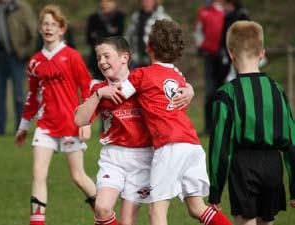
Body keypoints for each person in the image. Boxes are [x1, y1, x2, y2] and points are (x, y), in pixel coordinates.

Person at [120, 19, 233, 225]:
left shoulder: (141, 75)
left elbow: (118, 94)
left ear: (149, 47)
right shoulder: (178, 75)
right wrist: (189, 88)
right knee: (197, 208)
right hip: (192, 144)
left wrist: (97, 89)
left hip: (169, 145)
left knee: (157, 210)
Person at [74, 36, 194, 225]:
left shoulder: (144, 79)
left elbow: (170, 78)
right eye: (98, 58)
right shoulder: (99, 88)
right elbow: (79, 120)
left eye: (106, 56)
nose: (102, 61)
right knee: (102, 208)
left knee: (127, 221)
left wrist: (189, 88)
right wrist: (98, 95)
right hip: (113, 157)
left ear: (124, 57)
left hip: (143, 159)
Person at [14, 5, 96, 225]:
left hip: (70, 125)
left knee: (78, 177)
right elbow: (32, 97)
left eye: (53, 24)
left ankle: (106, 216)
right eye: (44, 23)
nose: (48, 27)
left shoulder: (72, 57)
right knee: (38, 174)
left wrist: (86, 120)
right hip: (46, 126)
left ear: (62, 29)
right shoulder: (35, 62)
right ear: (40, 29)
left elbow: (87, 88)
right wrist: (23, 127)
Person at [208, 20, 295, 225]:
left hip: (243, 165)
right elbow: (291, 140)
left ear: (231, 54)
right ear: (262, 53)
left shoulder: (226, 94)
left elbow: (220, 146)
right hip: (273, 165)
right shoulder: (277, 89)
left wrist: (215, 191)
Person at [0, 0, 38, 135]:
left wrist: (26, 53)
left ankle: (20, 127)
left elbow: (33, 32)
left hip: (16, 56)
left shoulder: (21, 7)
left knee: (19, 94)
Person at [194, 0, 225, 135]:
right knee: (210, 92)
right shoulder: (204, 11)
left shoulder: (226, 10)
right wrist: (201, 46)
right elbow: (199, 31)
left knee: (224, 91)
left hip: (225, 56)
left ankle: (224, 126)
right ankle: (208, 127)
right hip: (210, 56)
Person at [86, 0, 125, 80]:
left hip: (114, 58)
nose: (105, 3)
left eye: (109, 1)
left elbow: (118, 37)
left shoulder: (119, 17)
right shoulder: (93, 18)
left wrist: (98, 34)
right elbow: (89, 39)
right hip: (97, 59)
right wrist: (110, 32)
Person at [125, 0, 171, 68]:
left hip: (155, 59)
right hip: (136, 59)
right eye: (143, 1)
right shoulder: (136, 17)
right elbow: (129, 36)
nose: (146, 3)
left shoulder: (163, 18)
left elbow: (169, 39)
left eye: (149, 1)